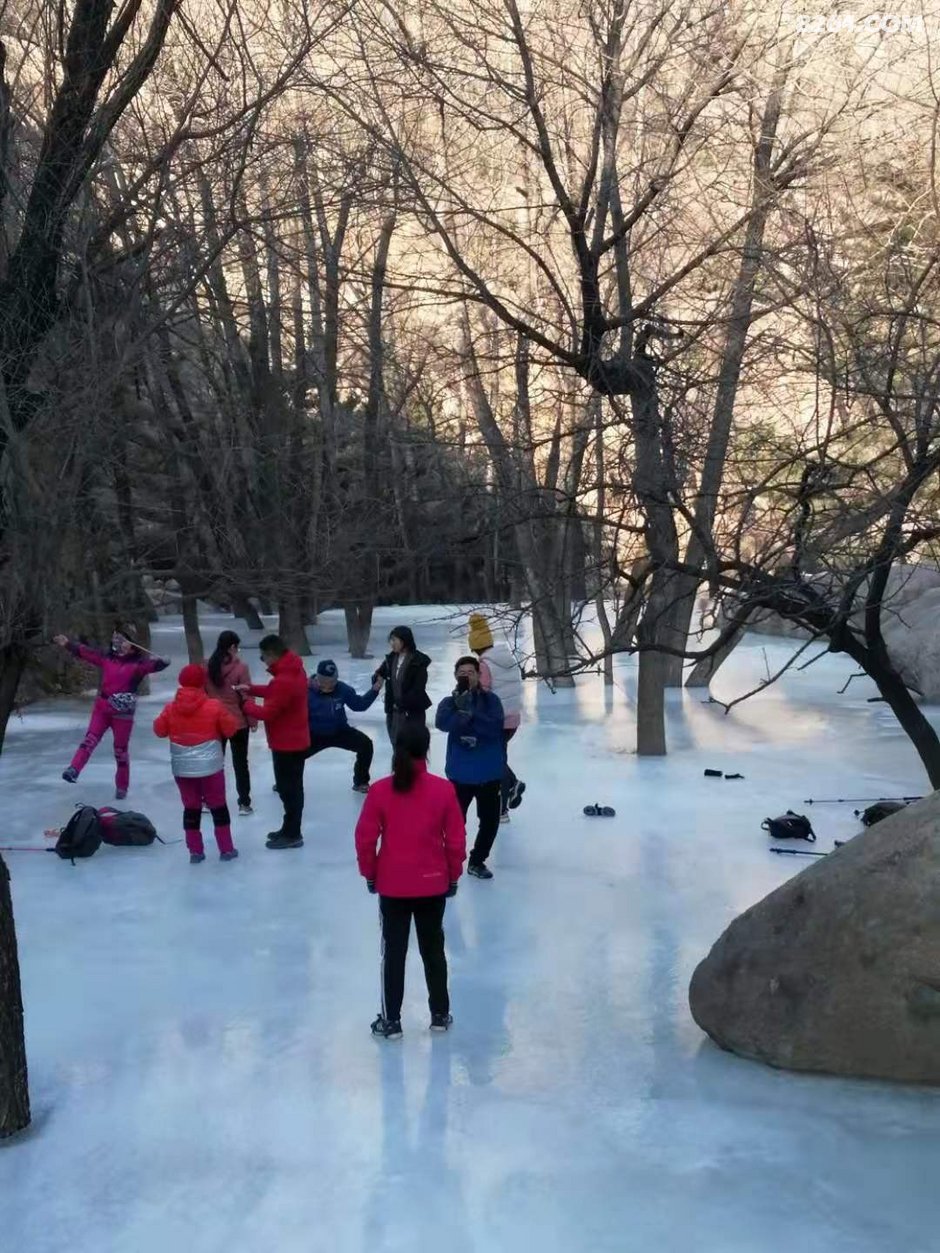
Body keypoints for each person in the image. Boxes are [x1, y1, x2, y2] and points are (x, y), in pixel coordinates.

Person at [355, 723, 466, 1039]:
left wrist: (371, 873)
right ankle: (440, 1014)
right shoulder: (443, 790)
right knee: (433, 950)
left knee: (393, 952)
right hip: (433, 884)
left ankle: (391, 1021)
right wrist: (453, 874)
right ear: (428, 750)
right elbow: (455, 840)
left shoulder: (380, 791)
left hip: (393, 885)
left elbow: (365, 839)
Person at [53, 626, 170, 799]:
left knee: (120, 751)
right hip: (102, 707)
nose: (117, 642)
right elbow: (86, 652)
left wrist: (163, 662)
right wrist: (68, 644)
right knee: (90, 740)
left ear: (131, 645)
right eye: (115, 638)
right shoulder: (106, 657)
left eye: (122, 639)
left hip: (122, 713)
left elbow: (153, 665)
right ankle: (74, 769)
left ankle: (122, 786)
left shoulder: (137, 664)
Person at [153, 664, 241, 864]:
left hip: (182, 768)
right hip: (210, 766)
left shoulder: (170, 708)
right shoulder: (214, 706)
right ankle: (226, 848)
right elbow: (230, 729)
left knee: (191, 807)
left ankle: (195, 851)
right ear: (202, 682)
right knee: (218, 806)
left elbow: (159, 730)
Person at [236, 635, 310, 849]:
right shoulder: (293, 671)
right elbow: (275, 693)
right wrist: (251, 689)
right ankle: (288, 828)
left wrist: (246, 704)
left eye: (263, 657)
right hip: (293, 739)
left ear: (272, 654)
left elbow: (268, 712)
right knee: (290, 789)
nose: (263, 661)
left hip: (288, 743)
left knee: (290, 790)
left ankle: (293, 833)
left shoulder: (284, 680)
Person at [434, 656, 505, 881]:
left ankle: (477, 861)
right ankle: (450, 861)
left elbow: (494, 728)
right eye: (462, 672)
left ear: (478, 675)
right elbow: (443, 724)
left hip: (488, 773)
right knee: (454, 823)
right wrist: (461, 712)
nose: (467, 676)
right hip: (460, 775)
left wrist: (471, 715)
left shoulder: (492, 700)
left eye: (471, 672)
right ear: (456, 676)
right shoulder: (448, 702)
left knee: (490, 821)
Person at [468, 613, 526, 823]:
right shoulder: (506, 658)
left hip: (496, 721)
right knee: (497, 757)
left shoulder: (484, 665)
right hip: (513, 718)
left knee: (494, 760)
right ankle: (511, 787)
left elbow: (482, 692)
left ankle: (504, 805)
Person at [305, 660, 384, 792]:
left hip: (339, 731)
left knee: (365, 745)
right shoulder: (305, 691)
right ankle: (285, 783)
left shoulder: (342, 689)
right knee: (290, 755)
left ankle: (360, 781)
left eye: (333, 682)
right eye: (325, 682)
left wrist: (374, 690)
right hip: (314, 734)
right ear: (317, 678)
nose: (329, 686)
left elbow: (359, 705)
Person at [205, 630, 256, 816]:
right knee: (241, 763)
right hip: (237, 722)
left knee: (215, 763)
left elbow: (204, 693)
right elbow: (246, 695)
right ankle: (244, 803)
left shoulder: (208, 666)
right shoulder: (241, 668)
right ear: (233, 647)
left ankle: (209, 800)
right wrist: (252, 720)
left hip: (214, 721)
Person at [373, 626, 432, 746]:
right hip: (393, 712)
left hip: (412, 712)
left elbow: (418, 688)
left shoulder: (418, 661)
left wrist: (401, 703)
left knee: (413, 748)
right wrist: (378, 678)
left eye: (394, 640)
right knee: (397, 747)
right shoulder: (391, 659)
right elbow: (380, 672)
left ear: (404, 640)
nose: (392, 643)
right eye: (391, 640)